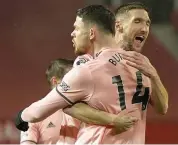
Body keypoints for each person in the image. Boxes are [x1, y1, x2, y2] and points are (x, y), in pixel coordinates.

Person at [14, 4, 162, 144]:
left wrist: (22, 116)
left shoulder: (87, 70)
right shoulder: (141, 65)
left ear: (91, 33)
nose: (72, 33)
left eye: (76, 28)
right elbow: (162, 108)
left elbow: (39, 111)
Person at [114, 2, 168, 116]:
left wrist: (154, 75)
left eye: (147, 23)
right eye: (137, 21)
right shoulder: (97, 60)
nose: (144, 29)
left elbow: (162, 108)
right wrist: (111, 120)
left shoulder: (144, 65)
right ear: (119, 26)